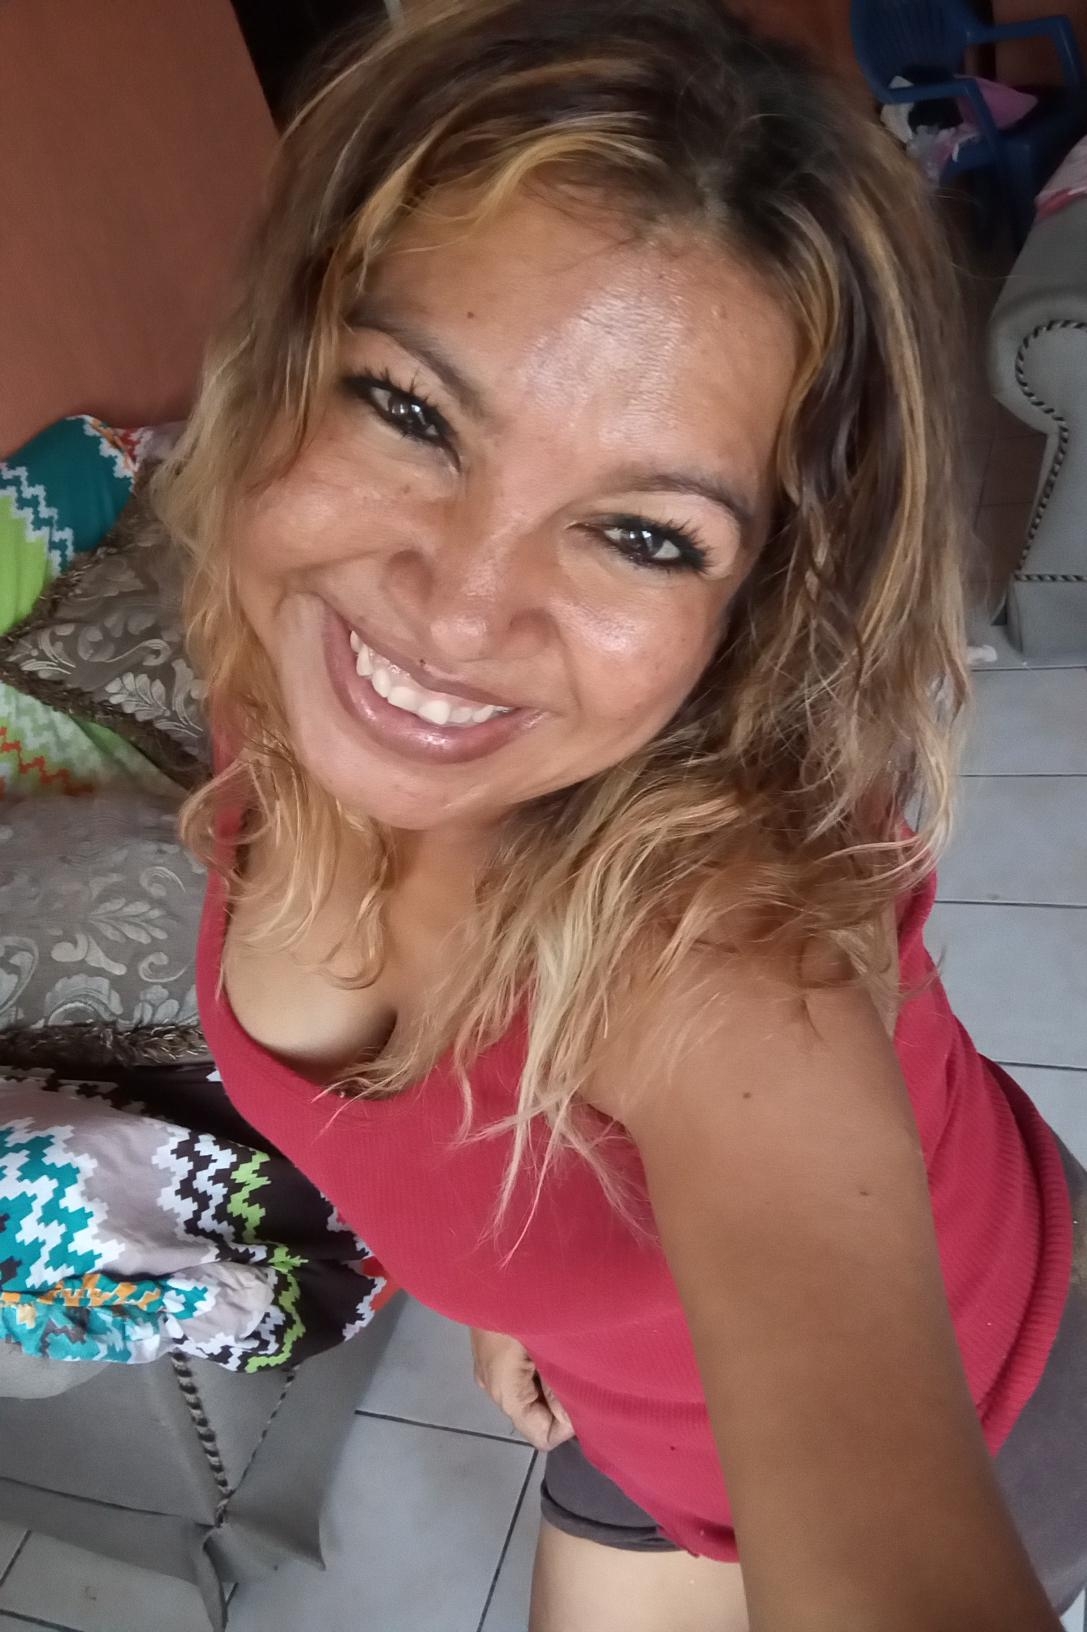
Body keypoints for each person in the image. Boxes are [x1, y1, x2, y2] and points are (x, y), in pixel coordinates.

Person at [157, 2, 1087, 1626]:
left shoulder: (716, 963)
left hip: (1007, 1396)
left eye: (646, 535)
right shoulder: (300, 664)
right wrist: (511, 1282)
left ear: (756, 607)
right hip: (623, 1394)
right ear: (284, 361)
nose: (457, 610)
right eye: (411, 412)